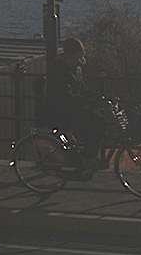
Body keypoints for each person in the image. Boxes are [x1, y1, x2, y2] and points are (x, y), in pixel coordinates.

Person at [45, 36, 112, 169]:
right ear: (71, 55)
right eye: (78, 56)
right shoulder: (60, 69)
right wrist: (87, 101)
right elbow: (64, 94)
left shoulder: (74, 67)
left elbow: (81, 89)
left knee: (97, 121)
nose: (80, 59)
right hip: (60, 110)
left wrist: (95, 97)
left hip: (69, 107)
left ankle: (86, 156)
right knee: (94, 123)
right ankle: (87, 157)